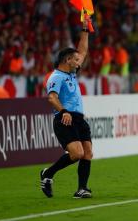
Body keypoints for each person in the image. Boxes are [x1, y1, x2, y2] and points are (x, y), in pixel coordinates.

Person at [41, 15, 93, 198]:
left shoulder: (71, 72)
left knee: (87, 153)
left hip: (78, 118)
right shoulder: (56, 77)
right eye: (75, 60)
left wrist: (85, 28)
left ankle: (82, 189)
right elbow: (52, 98)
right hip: (64, 117)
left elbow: (83, 51)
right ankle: (48, 174)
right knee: (77, 153)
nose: (78, 62)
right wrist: (63, 111)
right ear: (67, 60)